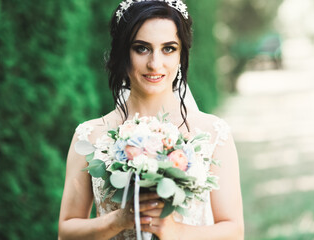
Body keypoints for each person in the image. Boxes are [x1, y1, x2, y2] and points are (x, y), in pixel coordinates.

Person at [58, 1, 244, 239]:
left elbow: (234, 231)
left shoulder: (213, 134)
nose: (155, 64)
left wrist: (175, 231)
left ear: (181, 54)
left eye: (168, 49)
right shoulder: (90, 135)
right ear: (123, 53)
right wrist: (118, 220)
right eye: (142, 48)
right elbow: (66, 232)